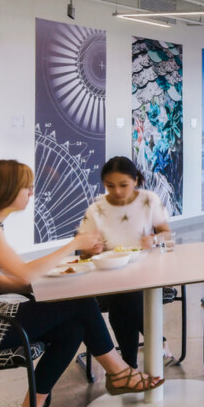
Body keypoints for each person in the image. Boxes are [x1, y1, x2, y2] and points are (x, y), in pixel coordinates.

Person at [0, 159, 163, 407]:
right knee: (79, 302)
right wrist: (74, 245)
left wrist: (33, 288)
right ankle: (120, 373)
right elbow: (24, 271)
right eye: (26, 187)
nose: (31, 193)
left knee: (72, 328)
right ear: (5, 190)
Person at [78, 156, 173, 367]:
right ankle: (157, 342)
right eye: (110, 186)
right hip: (110, 274)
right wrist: (90, 249)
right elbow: (83, 251)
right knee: (124, 297)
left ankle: (129, 364)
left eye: (124, 185)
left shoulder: (149, 200)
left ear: (136, 180)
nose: (118, 191)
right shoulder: (96, 209)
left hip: (147, 270)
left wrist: (154, 238)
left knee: (123, 301)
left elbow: (167, 234)